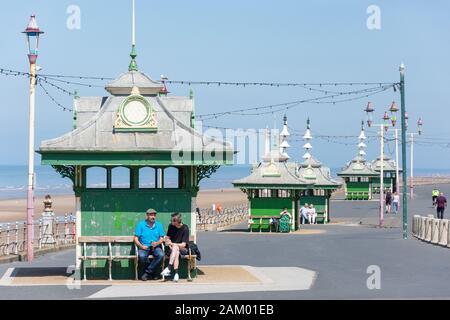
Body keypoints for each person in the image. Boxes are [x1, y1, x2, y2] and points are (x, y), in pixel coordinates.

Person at [134, 208, 166, 281]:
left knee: (161, 255)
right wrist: (141, 246)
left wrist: (156, 243)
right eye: (151, 215)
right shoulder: (141, 225)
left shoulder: (159, 225)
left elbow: (161, 238)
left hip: (156, 246)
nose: (153, 217)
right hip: (144, 246)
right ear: (147, 215)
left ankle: (147, 273)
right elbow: (135, 238)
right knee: (142, 256)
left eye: (154, 215)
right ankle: (153, 273)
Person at [161, 213, 190, 282]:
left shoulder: (185, 228)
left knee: (176, 247)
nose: (171, 222)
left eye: (172, 220)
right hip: (173, 249)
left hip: (183, 249)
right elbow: (168, 237)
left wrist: (173, 244)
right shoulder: (171, 226)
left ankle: (169, 268)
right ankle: (176, 274)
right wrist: (168, 242)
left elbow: (183, 244)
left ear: (177, 221)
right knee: (176, 251)